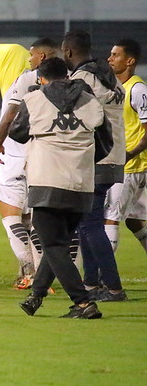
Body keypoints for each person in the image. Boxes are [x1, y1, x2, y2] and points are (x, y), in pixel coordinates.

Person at [13, 57, 112, 318]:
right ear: (66, 76)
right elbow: (106, 141)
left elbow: (17, 132)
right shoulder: (90, 100)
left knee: (53, 245)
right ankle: (36, 296)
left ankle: (83, 303)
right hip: (82, 184)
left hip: (46, 182)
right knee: (55, 244)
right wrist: (81, 159)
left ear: (41, 79)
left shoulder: (34, 100)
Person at [0, 33, 57, 288]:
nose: (27, 58)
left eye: (31, 54)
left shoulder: (22, 77)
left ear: (41, 56)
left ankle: (29, 271)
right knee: (36, 218)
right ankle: (42, 275)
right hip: (48, 154)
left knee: (10, 214)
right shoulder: (68, 80)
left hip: (15, 150)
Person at [63, 30, 127, 301]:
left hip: (96, 156)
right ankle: (91, 283)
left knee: (89, 224)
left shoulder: (82, 79)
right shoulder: (109, 76)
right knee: (86, 222)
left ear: (68, 52)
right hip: (115, 156)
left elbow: (77, 117)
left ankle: (113, 288)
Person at [101, 39, 147, 297]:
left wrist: (128, 154)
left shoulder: (138, 89)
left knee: (110, 219)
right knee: (137, 223)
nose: (110, 59)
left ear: (129, 61)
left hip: (130, 168)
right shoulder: (120, 87)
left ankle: (105, 283)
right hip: (131, 166)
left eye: (115, 55)